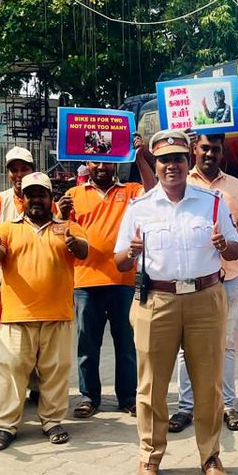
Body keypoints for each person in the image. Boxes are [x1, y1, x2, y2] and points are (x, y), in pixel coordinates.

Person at [114, 129, 238, 475]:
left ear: (189, 162)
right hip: (157, 301)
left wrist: (223, 245)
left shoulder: (212, 202)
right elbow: (120, 262)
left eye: (178, 158)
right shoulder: (139, 208)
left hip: (206, 299)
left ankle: (210, 456)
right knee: (151, 385)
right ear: (155, 165)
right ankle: (150, 457)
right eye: (165, 160)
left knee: (208, 384)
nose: (172, 165)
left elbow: (235, 250)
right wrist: (133, 253)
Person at [0, 172, 88, 451]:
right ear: (24, 199)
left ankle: (53, 421)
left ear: (50, 198)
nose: (36, 200)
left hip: (58, 315)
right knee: (11, 371)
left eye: (41, 194)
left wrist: (73, 243)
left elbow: (84, 251)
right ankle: (6, 426)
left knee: (55, 371)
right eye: (30, 195)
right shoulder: (6, 229)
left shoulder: (68, 227)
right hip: (17, 316)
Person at [57, 134, 155, 420]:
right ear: (86, 163)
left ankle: (128, 397)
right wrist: (63, 216)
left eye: (107, 161)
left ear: (116, 163)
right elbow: (60, 233)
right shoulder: (73, 196)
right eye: (95, 160)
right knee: (87, 345)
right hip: (85, 283)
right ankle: (89, 397)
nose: (101, 166)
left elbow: (153, 192)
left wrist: (139, 155)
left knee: (127, 345)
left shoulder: (132, 190)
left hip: (123, 281)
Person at [169, 132, 238, 434]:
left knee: (226, 345)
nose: (209, 154)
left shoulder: (235, 187)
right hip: (189, 280)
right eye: (204, 148)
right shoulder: (182, 183)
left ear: (222, 153)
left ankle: (228, 405)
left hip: (227, 278)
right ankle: (186, 407)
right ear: (194, 148)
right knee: (186, 347)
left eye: (215, 150)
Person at [0, 146, 36, 342]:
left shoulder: (43, 200)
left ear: (32, 170)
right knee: (4, 348)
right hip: (3, 286)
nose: (19, 174)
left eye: (24, 169)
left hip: (35, 287)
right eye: (14, 170)